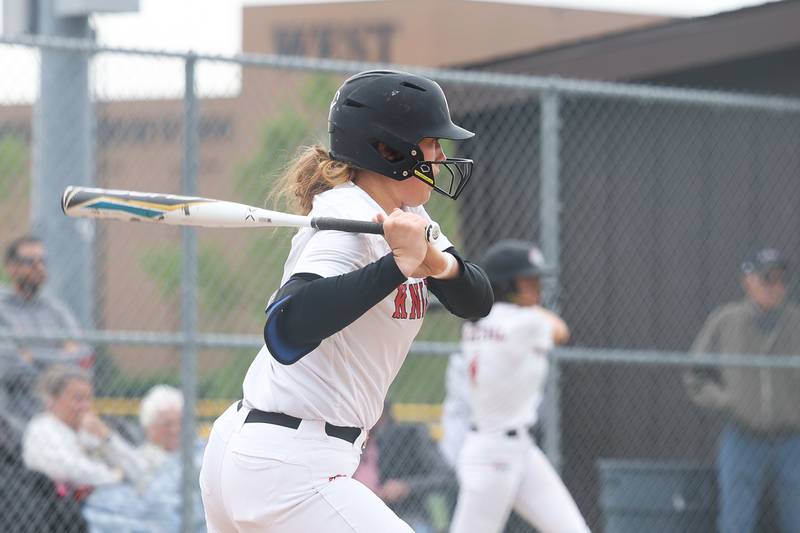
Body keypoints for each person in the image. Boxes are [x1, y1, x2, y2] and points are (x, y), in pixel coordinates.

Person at [199, 69, 493, 532]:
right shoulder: (344, 216)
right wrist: (395, 265)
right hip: (289, 465)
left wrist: (432, 260)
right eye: (432, 144)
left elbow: (476, 298)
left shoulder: (411, 216)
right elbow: (286, 329)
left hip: (274, 452)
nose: (441, 157)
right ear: (389, 150)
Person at [449, 240, 590, 533]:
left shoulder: (476, 321)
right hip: (493, 454)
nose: (537, 286)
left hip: (518, 449)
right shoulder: (527, 323)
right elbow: (561, 331)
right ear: (505, 284)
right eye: (528, 279)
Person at [683, 247, 800, 533]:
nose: (775, 287)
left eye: (780, 280)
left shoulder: (797, 322)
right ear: (747, 281)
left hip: (793, 440)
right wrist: (727, 401)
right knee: (736, 522)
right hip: (742, 436)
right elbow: (694, 373)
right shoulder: (726, 320)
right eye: (767, 279)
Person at [0, 235, 93, 435]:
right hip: (13, 418)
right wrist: (60, 361)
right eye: (30, 262)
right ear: (11, 267)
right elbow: (7, 366)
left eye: (42, 261)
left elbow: (82, 357)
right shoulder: (3, 309)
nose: (38, 267)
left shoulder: (57, 310)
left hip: (62, 418)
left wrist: (32, 356)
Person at [22, 365, 145, 496]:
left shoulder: (89, 430)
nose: (86, 406)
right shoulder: (42, 428)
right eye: (78, 399)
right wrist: (113, 476)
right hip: (62, 507)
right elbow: (69, 470)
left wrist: (107, 437)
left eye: (88, 399)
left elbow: (139, 470)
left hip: (108, 499)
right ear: (52, 400)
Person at [353, 402, 456, 533]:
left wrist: (407, 486)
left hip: (404, 516)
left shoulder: (406, 436)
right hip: (358, 516)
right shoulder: (348, 444)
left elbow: (446, 477)